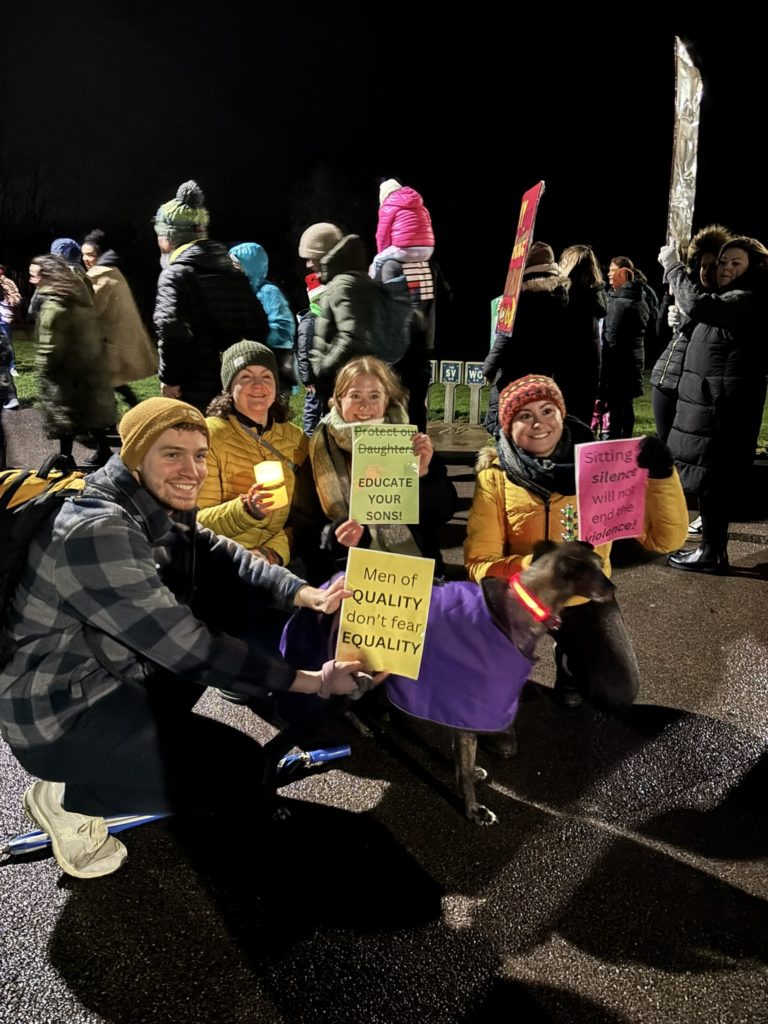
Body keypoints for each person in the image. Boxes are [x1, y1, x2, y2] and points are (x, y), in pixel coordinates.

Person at [0, 397, 379, 879]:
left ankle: (136, 758)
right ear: (135, 455)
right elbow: (194, 649)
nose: (192, 469)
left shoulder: (149, 499)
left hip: (106, 668)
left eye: (200, 454)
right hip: (58, 717)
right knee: (239, 772)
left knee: (213, 585)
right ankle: (71, 797)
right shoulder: (96, 531)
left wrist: (306, 594)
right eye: (172, 453)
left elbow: (222, 553)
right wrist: (314, 681)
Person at [464, 375, 688, 717]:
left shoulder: (606, 467)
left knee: (618, 692)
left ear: (562, 414)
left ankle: (570, 666)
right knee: (491, 676)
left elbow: (665, 539)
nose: (539, 422)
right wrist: (532, 568)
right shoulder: (494, 477)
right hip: (522, 598)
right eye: (524, 415)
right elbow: (479, 562)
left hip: (584, 596)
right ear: (508, 427)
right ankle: (511, 671)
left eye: (547, 410)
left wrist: (662, 476)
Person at [659, 236, 768, 573]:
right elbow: (705, 322)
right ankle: (712, 549)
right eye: (723, 262)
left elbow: (701, 306)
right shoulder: (728, 299)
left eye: (737, 263)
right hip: (710, 402)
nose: (726, 269)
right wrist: (682, 321)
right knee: (711, 481)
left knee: (715, 480)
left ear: (754, 268)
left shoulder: (748, 298)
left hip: (720, 408)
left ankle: (712, 553)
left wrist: (673, 267)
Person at [305, 355, 458, 581]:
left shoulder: (409, 441)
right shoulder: (321, 446)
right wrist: (338, 538)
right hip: (348, 572)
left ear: (386, 400)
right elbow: (308, 527)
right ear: (338, 400)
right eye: (354, 396)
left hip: (411, 571)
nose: (365, 405)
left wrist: (424, 474)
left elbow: (443, 511)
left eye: (374, 396)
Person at [152, 180, 268, 411]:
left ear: (169, 237)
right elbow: (259, 324)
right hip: (234, 378)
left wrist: (170, 378)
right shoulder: (233, 271)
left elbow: (171, 328)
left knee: (195, 441)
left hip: (193, 384)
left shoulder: (175, 274)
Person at [197, 340, 310, 568]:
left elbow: (304, 518)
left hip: (277, 559)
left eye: (266, 377)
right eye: (246, 377)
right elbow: (196, 522)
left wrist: (272, 553)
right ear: (229, 386)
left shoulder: (295, 439)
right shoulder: (210, 436)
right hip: (225, 559)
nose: (258, 385)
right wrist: (247, 510)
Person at [30, 253, 115, 468]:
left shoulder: (55, 304)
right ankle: (104, 451)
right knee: (88, 411)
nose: (33, 280)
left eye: (35, 275)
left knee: (64, 413)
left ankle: (66, 459)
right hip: (86, 361)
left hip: (66, 369)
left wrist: (43, 366)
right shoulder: (78, 291)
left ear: (48, 275)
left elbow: (50, 344)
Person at [651, 225, 732, 444]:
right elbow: (661, 336)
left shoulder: (717, 302)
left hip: (691, 390)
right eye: (703, 266)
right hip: (666, 379)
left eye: (713, 266)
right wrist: (669, 308)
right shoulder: (688, 293)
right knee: (665, 449)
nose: (706, 272)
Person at [483, 242, 571, 435]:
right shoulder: (562, 296)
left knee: (508, 422)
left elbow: (504, 338)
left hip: (515, 371)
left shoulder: (519, 298)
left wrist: (489, 367)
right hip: (546, 371)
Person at [86, 245, 158, 414]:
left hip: (105, 341)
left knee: (104, 383)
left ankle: (128, 416)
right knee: (113, 383)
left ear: (100, 256)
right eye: (83, 254)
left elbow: (93, 310)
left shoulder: (102, 278)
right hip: (108, 341)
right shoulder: (112, 274)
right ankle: (134, 413)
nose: (85, 258)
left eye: (89, 254)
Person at [229, 242, 296, 392]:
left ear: (250, 267)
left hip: (273, 364)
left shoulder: (268, 291)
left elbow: (282, 329)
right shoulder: (243, 292)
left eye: (236, 265)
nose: (231, 270)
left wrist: (255, 339)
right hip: (251, 360)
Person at [599, 258, 650, 439]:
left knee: (615, 408)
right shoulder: (640, 297)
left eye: (613, 271)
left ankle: (614, 443)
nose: (609, 274)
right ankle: (626, 440)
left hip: (617, 364)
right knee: (626, 405)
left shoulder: (618, 303)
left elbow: (611, 337)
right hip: (633, 361)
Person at [557, 245, 607, 427]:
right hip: (590, 369)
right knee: (581, 422)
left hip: (566, 368)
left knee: (561, 422)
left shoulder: (565, 297)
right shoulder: (596, 296)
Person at [371, 178, 435, 276]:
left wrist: (381, 253)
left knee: (377, 260)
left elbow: (382, 235)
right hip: (427, 251)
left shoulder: (388, 206)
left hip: (404, 250)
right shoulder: (421, 206)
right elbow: (428, 225)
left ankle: (373, 288)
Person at [0, 265, 22, 410]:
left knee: (4, 348)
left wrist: (9, 301)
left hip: (3, 319)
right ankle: (10, 396)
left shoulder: (7, 282)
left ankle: (12, 366)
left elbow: (17, 297)